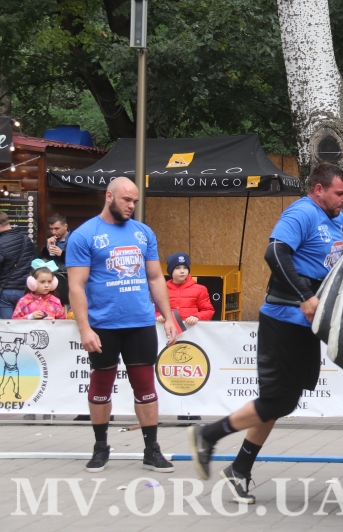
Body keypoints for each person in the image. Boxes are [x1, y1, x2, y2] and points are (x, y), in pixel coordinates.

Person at [188, 163, 343, 504]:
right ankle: (208, 435)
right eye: (340, 193)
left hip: (307, 324)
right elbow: (274, 252)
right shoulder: (301, 213)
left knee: (279, 401)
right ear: (318, 190)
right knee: (278, 400)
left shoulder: (336, 218)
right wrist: (305, 296)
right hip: (284, 319)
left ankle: (238, 470)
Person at [66, 177, 179, 473]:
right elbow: (76, 286)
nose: (131, 206)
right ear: (109, 196)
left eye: (135, 202)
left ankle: (151, 450)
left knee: (145, 386)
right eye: (127, 200)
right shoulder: (84, 235)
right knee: (101, 385)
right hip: (103, 324)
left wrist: (168, 317)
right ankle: (100, 447)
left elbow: (155, 278)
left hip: (139, 322)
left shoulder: (143, 233)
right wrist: (84, 328)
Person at [156, 252, 215, 327]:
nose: (182, 271)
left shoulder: (200, 289)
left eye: (185, 268)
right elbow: (154, 310)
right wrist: (159, 316)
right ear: (170, 270)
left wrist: (196, 317)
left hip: (192, 330)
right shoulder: (162, 289)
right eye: (177, 268)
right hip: (168, 330)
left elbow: (208, 310)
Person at [0, 211, 37, 319]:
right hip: (25, 290)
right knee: (25, 325)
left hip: (5, 292)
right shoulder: (26, 239)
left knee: (7, 326)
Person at [40, 214, 70, 306]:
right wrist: (46, 248)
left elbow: (80, 260)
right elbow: (40, 261)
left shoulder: (75, 239)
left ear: (65, 226)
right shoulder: (50, 240)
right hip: (51, 281)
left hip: (68, 280)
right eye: (51, 229)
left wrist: (62, 254)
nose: (53, 232)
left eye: (56, 229)